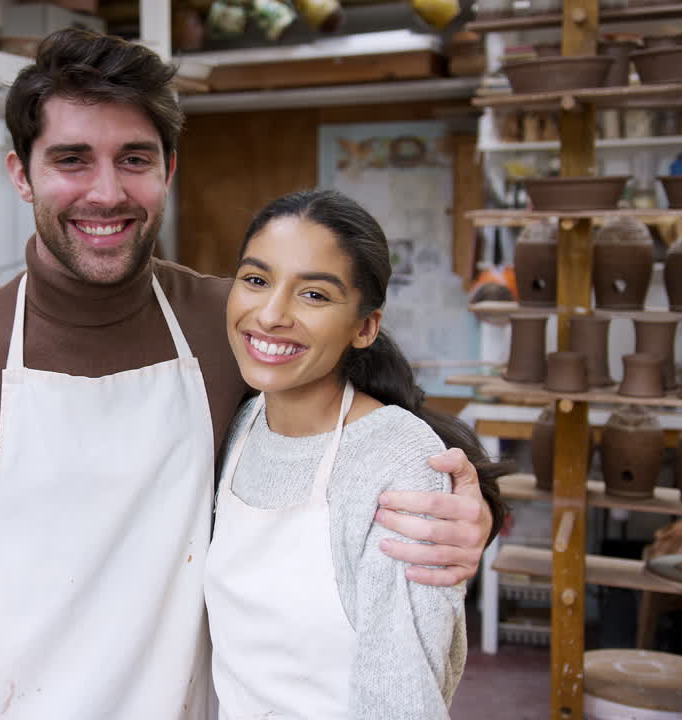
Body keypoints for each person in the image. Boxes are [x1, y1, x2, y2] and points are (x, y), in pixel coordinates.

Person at [0, 28, 506, 720]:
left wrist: (476, 516)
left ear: (168, 169)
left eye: (133, 159)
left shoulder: (227, 322)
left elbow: (385, 429)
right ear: (22, 174)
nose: (106, 193)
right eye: (71, 160)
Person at [205, 189, 512, 720]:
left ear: (365, 326)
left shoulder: (399, 460)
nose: (272, 314)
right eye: (256, 280)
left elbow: (401, 696)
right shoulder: (240, 426)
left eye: (315, 296)